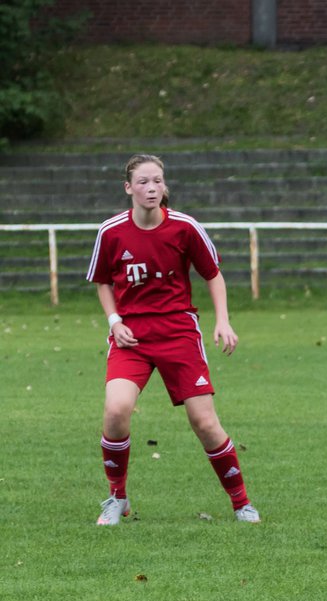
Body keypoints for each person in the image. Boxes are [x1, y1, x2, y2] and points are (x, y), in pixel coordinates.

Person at [89, 153, 259, 526]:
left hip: (178, 333)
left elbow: (213, 274)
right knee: (116, 409)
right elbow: (103, 281)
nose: (152, 188)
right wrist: (115, 321)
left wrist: (223, 321)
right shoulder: (111, 231)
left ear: (164, 186)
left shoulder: (185, 227)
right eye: (144, 182)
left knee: (204, 422)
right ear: (129, 188)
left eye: (158, 181)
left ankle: (241, 502)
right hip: (131, 336)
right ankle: (117, 498)